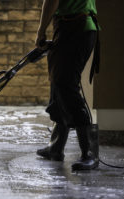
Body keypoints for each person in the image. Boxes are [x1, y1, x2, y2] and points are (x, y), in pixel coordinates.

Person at [35, 0, 100, 170]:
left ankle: (89, 153)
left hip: (76, 27)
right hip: (72, 27)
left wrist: (40, 32)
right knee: (59, 83)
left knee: (66, 85)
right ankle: (56, 147)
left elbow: (51, 1)